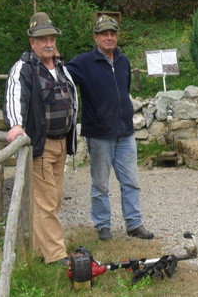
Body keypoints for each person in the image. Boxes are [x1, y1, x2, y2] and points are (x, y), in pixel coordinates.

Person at [66, 15, 154, 240]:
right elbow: (61, 78)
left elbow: (123, 92)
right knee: (100, 185)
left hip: (125, 132)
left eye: (113, 33)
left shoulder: (123, 61)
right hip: (99, 134)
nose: (109, 37)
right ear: (95, 37)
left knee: (131, 182)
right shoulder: (83, 62)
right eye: (104, 33)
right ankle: (103, 225)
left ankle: (134, 224)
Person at [3, 12, 78, 266]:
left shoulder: (59, 66)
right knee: (46, 202)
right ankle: (56, 255)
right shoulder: (23, 67)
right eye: (42, 39)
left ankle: (38, 248)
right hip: (41, 144)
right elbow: (15, 96)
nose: (49, 43)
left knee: (52, 199)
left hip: (61, 143)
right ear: (32, 42)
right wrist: (15, 125)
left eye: (52, 39)